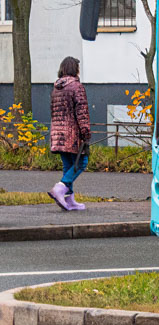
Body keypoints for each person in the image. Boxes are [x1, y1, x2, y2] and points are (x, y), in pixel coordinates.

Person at [47, 57, 90, 212]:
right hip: (72, 134)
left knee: (68, 166)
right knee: (81, 163)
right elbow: (82, 112)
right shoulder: (77, 87)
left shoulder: (56, 88)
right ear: (75, 69)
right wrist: (85, 132)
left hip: (58, 133)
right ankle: (60, 187)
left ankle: (69, 200)